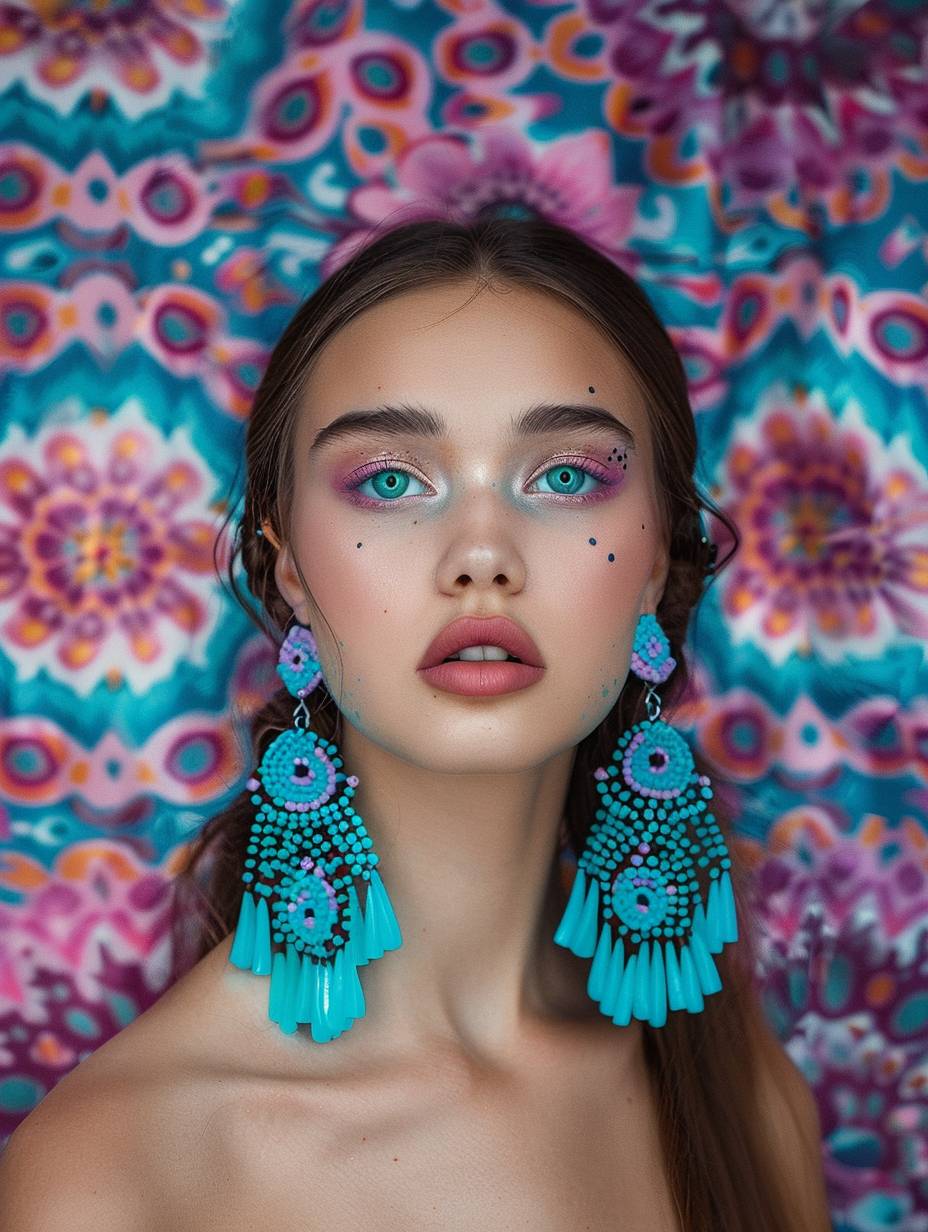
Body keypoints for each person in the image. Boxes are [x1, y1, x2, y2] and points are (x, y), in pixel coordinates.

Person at [0, 215, 831, 1230]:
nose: (481, 553)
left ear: (657, 554)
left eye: (565, 476)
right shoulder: (115, 1172)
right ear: (290, 567)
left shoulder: (739, 1091)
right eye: (390, 481)